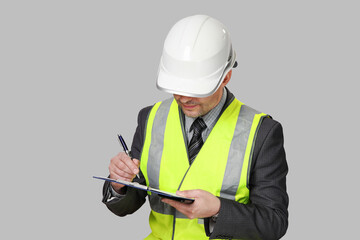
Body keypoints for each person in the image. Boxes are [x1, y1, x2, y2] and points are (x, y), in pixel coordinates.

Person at [102, 15, 289, 240]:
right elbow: (127, 204)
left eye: (196, 89)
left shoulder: (262, 132)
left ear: (226, 77)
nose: (183, 97)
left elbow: (274, 223)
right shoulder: (150, 118)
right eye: (177, 86)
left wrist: (219, 209)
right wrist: (119, 184)